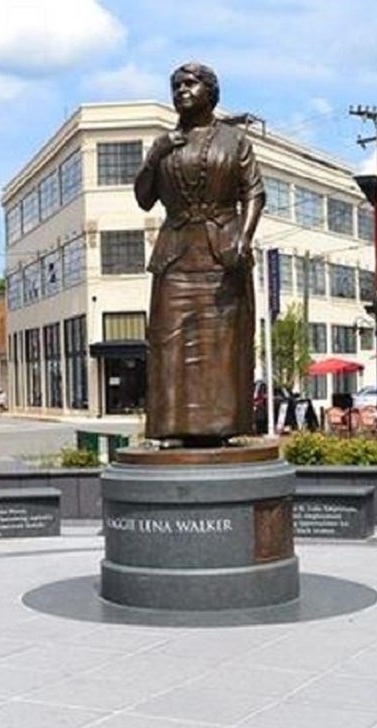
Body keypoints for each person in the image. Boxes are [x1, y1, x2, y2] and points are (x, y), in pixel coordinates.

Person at [134, 62, 265, 447]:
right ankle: (171, 428)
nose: (181, 91)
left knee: (224, 343)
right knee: (168, 341)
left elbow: (253, 191)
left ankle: (227, 427)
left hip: (221, 254)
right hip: (176, 256)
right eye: (176, 85)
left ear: (210, 91)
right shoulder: (166, 144)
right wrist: (153, 157)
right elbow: (144, 199)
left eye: (190, 84)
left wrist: (244, 235)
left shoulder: (234, 140)